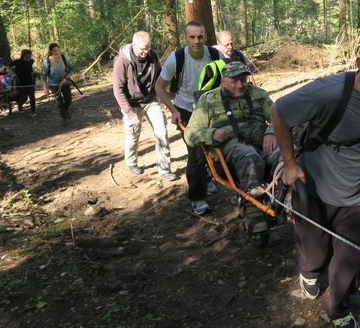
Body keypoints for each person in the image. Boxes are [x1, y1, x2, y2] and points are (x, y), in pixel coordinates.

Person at [271, 28, 360, 328]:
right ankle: (309, 272)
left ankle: (338, 309)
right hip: (314, 188)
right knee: (315, 254)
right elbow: (279, 111)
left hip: (358, 195)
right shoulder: (330, 92)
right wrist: (289, 163)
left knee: (350, 262)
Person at [184, 61, 279, 233]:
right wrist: (212, 134)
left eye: (243, 80)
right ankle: (252, 210)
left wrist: (271, 131)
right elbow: (190, 133)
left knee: (285, 155)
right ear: (223, 81)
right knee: (248, 155)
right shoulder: (209, 100)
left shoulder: (258, 94)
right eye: (234, 81)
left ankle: (292, 200)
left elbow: (276, 114)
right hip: (230, 152)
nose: (240, 85)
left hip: (261, 143)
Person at [155, 21, 220, 215]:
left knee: (214, 146)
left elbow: (227, 79)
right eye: (192, 37)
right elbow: (159, 87)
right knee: (195, 155)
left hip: (211, 108)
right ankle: (197, 199)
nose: (196, 41)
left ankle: (208, 178)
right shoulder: (177, 58)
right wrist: (173, 110)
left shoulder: (215, 55)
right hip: (186, 110)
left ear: (206, 37)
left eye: (200, 36)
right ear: (186, 38)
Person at [113, 31, 176, 181]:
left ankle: (164, 169)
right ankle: (131, 161)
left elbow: (159, 77)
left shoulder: (152, 55)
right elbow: (118, 89)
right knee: (133, 135)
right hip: (131, 103)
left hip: (151, 99)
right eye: (142, 49)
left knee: (161, 132)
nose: (145, 52)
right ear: (133, 45)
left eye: (148, 48)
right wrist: (129, 113)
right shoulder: (122, 61)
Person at [41, 43, 73, 123]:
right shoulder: (47, 62)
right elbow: (44, 75)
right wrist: (45, 87)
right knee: (59, 102)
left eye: (57, 50)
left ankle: (65, 110)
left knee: (68, 100)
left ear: (59, 49)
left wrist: (66, 78)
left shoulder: (65, 58)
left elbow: (71, 68)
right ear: (51, 51)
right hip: (53, 84)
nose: (56, 52)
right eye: (54, 50)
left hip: (65, 82)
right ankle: (64, 118)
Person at [7, 49, 37, 118]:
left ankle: (33, 112)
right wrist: (13, 73)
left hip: (30, 82)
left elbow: (30, 69)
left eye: (30, 57)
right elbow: (7, 67)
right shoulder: (17, 62)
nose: (28, 59)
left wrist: (33, 73)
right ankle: (19, 105)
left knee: (32, 97)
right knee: (24, 98)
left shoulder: (31, 61)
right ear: (23, 56)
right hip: (20, 83)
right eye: (27, 57)